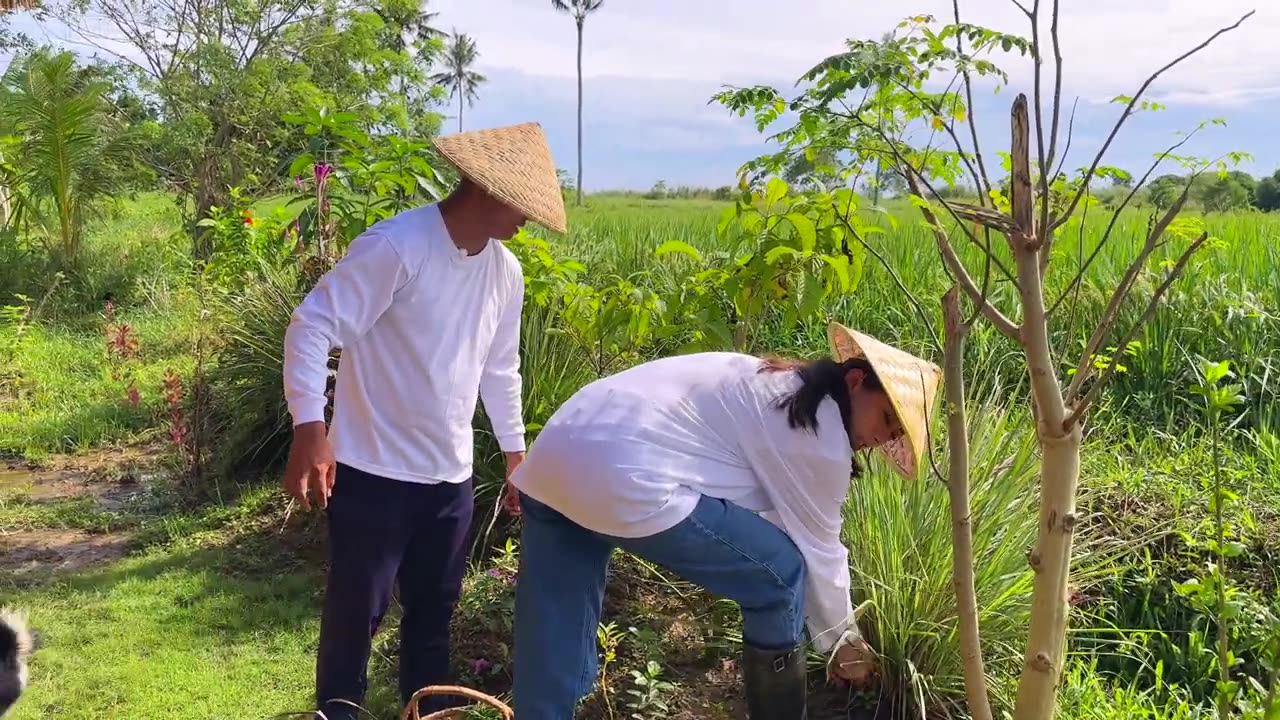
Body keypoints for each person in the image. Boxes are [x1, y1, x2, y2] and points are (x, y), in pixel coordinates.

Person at [509, 322, 942, 719]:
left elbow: (780, 518)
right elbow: (819, 552)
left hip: (557, 450)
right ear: (854, 381)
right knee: (779, 577)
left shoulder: (771, 381)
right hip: (626, 475)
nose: (881, 437)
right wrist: (844, 645)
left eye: (893, 434)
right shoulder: (820, 435)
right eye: (886, 418)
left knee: (555, 616)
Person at [280, 122, 566, 720]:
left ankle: (429, 710)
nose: (527, 221)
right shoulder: (398, 246)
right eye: (523, 208)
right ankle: (338, 711)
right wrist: (311, 429)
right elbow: (312, 326)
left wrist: (516, 454)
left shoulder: (504, 272)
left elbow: (501, 368)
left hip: (448, 479)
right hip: (371, 471)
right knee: (357, 614)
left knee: (435, 614)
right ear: (489, 191)